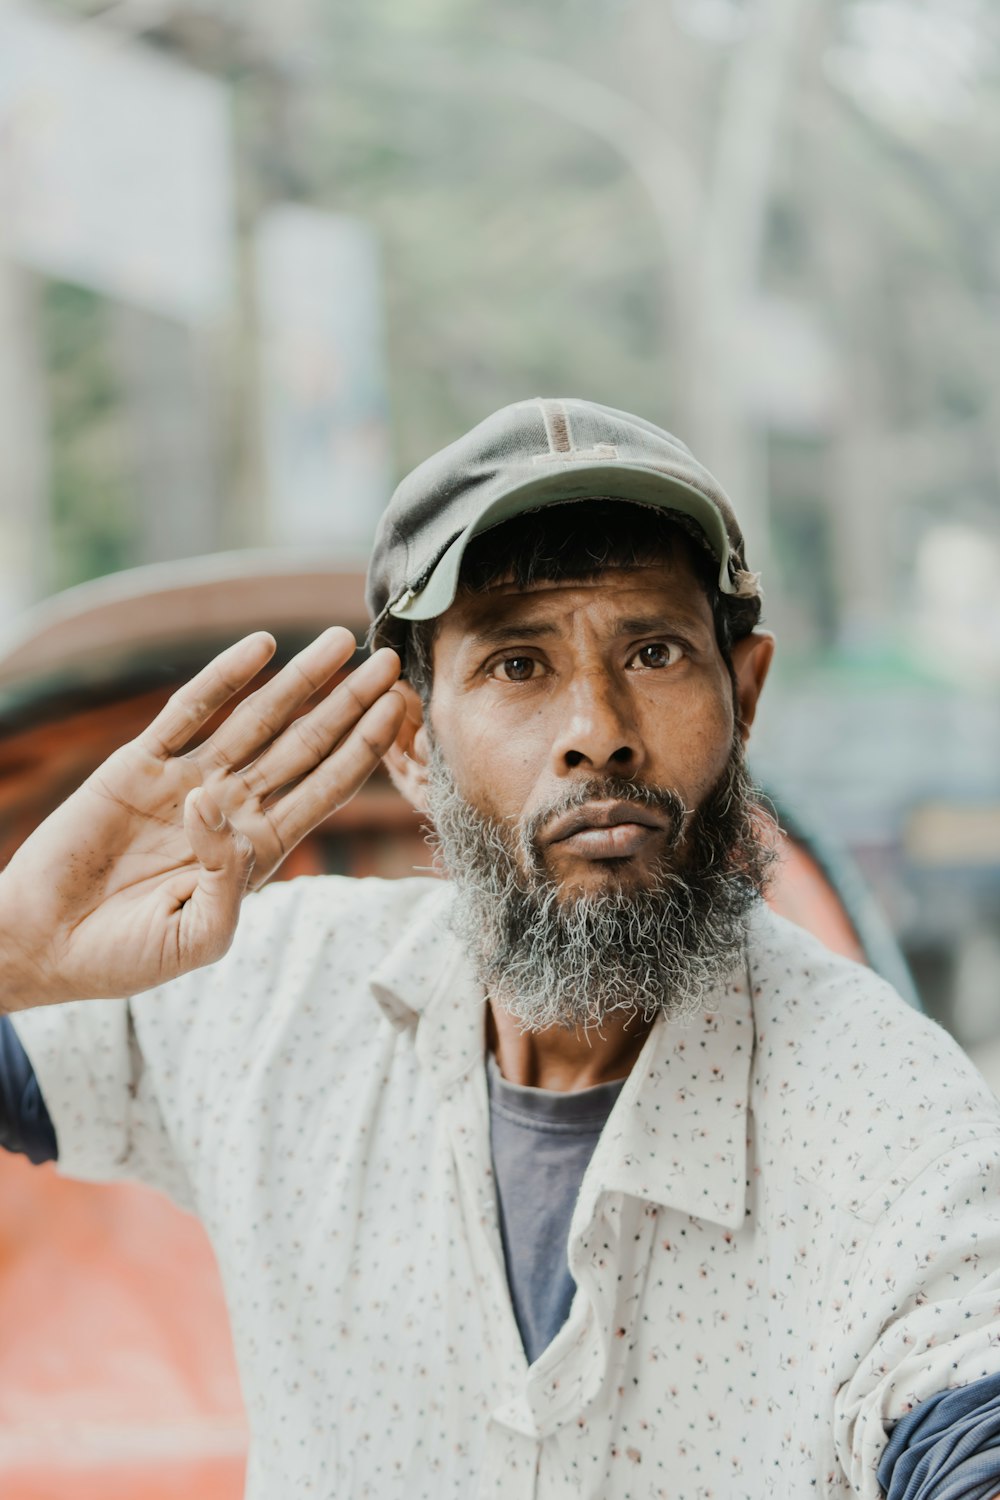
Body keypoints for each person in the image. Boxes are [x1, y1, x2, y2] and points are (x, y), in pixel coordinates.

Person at [1, 396, 1000, 1500]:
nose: (598, 727)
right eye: (518, 666)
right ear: (410, 751)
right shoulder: (269, 995)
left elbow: (963, 1392)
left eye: (655, 651)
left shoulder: (888, 1115)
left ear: (744, 694)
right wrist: (15, 946)